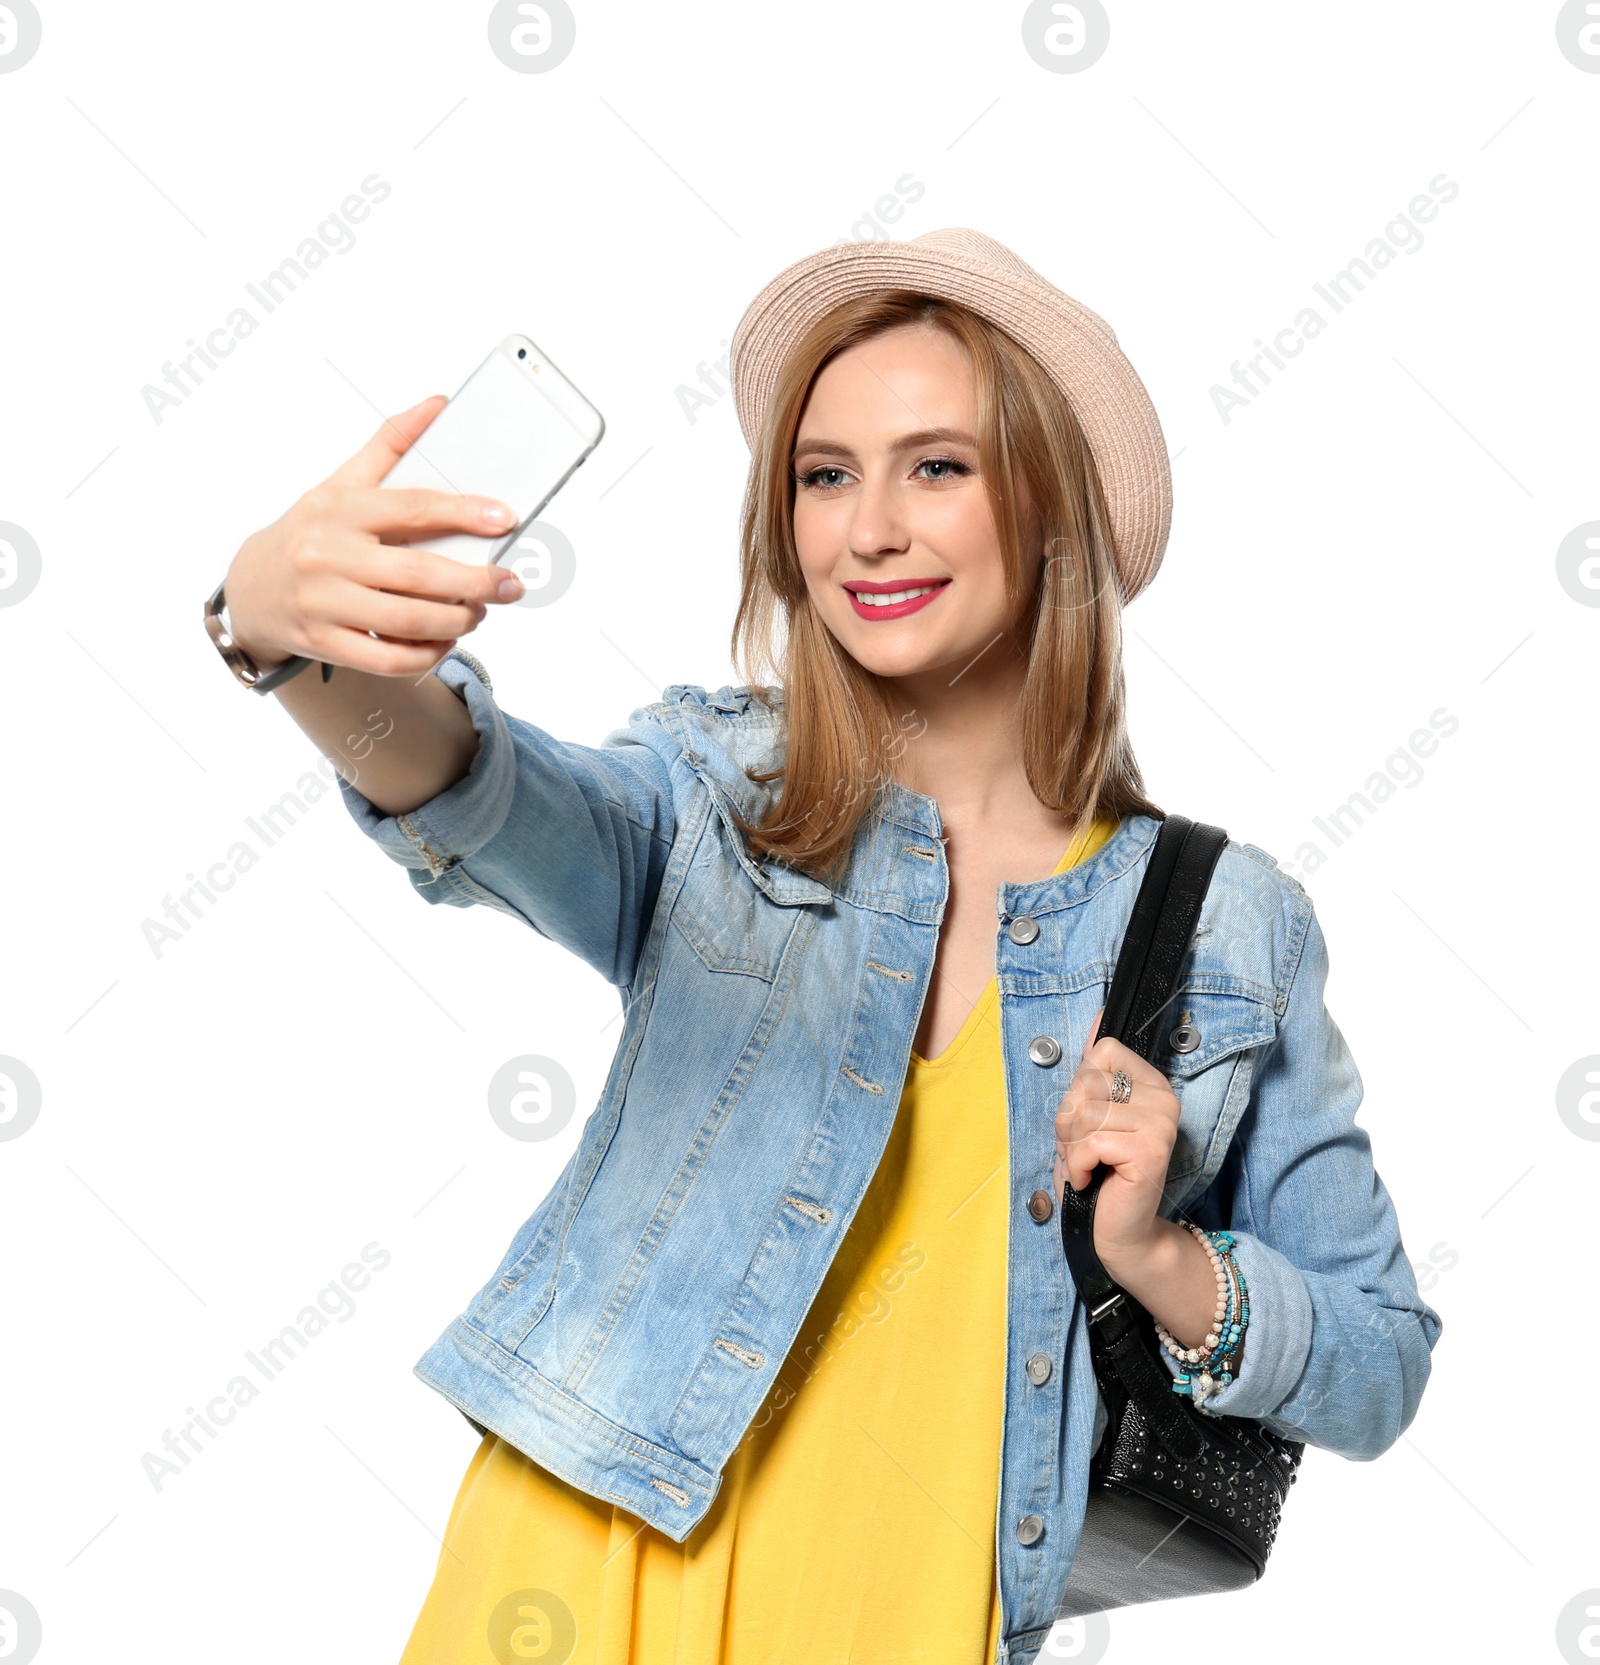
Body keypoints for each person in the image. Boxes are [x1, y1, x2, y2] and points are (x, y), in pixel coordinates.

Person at [214, 229, 1441, 1664]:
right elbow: (477, 792)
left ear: (1054, 510)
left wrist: (1166, 1256)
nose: (867, 529)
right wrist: (290, 645)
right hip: (573, 1576)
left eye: (937, 466)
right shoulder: (719, 797)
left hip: (902, 1612)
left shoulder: (1227, 924)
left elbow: (1378, 1361)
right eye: (824, 473)